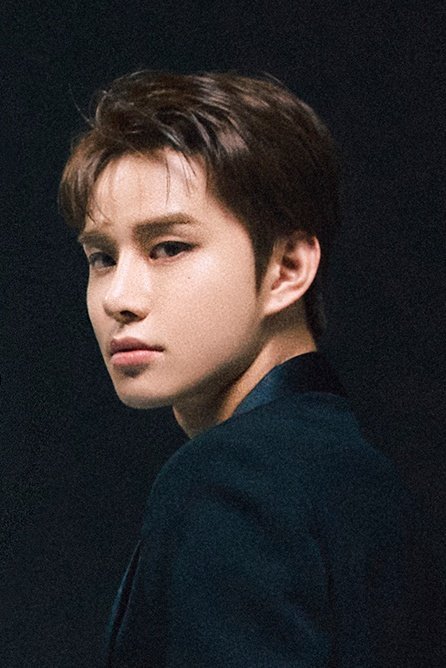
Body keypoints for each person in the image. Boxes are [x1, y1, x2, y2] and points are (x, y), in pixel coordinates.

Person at [59, 71, 444, 666]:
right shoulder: (356, 472)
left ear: (287, 268)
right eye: (102, 257)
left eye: (169, 248)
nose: (119, 297)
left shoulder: (232, 479)